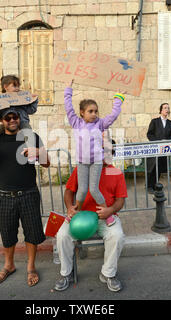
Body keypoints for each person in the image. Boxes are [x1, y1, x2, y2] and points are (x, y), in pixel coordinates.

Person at [0, 108, 50, 287]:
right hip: (6, 195)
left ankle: (31, 267)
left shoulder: (30, 136)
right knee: (7, 233)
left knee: (32, 233)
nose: (12, 120)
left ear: (20, 118)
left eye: (15, 117)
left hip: (29, 193)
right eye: (7, 118)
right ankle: (9, 266)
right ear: (1, 120)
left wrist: (37, 152)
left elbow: (47, 162)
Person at [54, 140, 127, 292]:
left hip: (105, 217)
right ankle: (66, 273)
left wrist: (110, 210)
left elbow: (120, 200)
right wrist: (69, 208)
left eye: (110, 152)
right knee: (62, 235)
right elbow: (68, 191)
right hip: (80, 216)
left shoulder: (116, 173)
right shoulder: (82, 170)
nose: (106, 155)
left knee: (117, 235)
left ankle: (108, 274)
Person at [64, 79, 125, 227]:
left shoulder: (101, 124)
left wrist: (118, 98)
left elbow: (114, 115)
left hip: (97, 161)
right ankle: (74, 212)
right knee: (82, 190)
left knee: (94, 189)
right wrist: (68, 89)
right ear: (82, 113)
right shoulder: (76, 123)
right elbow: (68, 108)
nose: (94, 114)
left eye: (96, 111)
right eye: (90, 111)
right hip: (82, 162)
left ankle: (107, 213)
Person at [0, 75, 38, 148]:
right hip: (7, 125)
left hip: (23, 122)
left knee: (27, 130)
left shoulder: (22, 98)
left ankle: (31, 148)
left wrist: (34, 101)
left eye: (18, 86)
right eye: (14, 86)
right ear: (6, 87)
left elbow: (31, 110)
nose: (17, 88)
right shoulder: (0, 100)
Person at [146, 103, 171, 193]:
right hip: (155, 148)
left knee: (159, 167)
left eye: (168, 108)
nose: (167, 109)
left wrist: (166, 141)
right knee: (152, 167)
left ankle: (155, 185)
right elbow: (149, 134)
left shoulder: (170, 123)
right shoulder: (154, 121)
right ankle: (149, 186)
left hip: (164, 149)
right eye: (165, 108)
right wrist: (158, 142)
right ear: (161, 110)